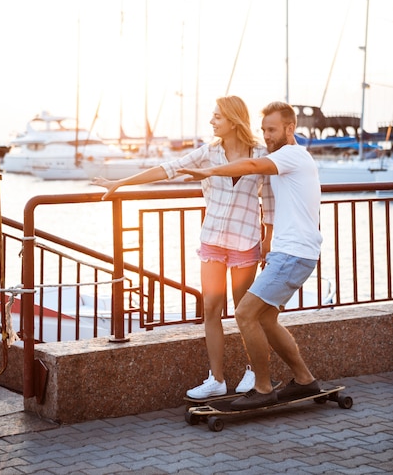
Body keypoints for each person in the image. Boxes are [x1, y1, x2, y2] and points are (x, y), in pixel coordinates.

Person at [91, 95, 274, 399]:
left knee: (246, 313)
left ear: (233, 120)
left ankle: (253, 371)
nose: (212, 121)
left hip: (245, 243)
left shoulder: (260, 155)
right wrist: (121, 183)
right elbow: (167, 169)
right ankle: (216, 379)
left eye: (217, 117)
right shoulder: (208, 153)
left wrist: (267, 241)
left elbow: (269, 202)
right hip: (213, 240)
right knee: (211, 309)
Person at [177, 101, 323, 410]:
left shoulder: (291, 155)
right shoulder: (285, 157)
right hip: (290, 252)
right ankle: (305, 379)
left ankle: (262, 386)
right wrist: (268, 241)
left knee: (244, 313)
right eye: (264, 130)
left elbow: (253, 167)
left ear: (290, 128)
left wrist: (209, 170)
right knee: (266, 320)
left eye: (272, 129)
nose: (267, 136)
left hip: (294, 255)